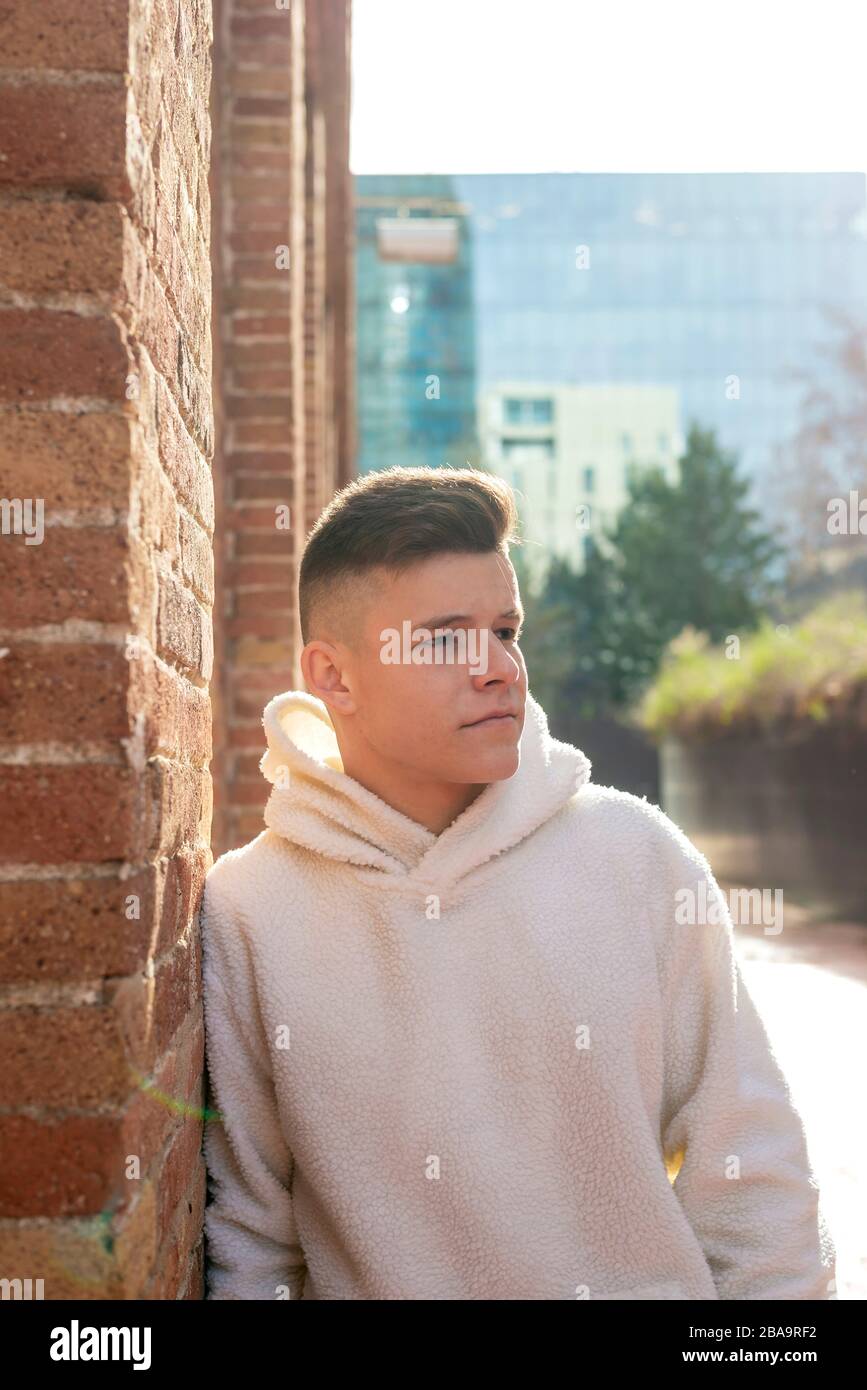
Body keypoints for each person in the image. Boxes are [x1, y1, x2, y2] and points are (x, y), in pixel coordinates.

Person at [200, 465, 836, 1301]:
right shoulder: (252, 909)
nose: (497, 667)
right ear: (334, 676)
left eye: (506, 630)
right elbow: (251, 1240)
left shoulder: (635, 857)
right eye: (445, 639)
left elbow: (753, 1175)